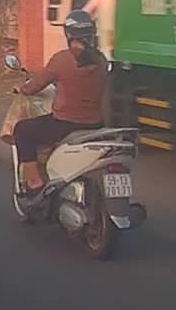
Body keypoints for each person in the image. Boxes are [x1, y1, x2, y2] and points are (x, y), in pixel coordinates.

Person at [12, 10, 107, 197]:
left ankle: (35, 183)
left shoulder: (62, 59)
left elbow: (34, 87)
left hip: (65, 124)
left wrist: (21, 88)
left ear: (68, 34)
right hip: (95, 124)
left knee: (22, 130)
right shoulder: (101, 60)